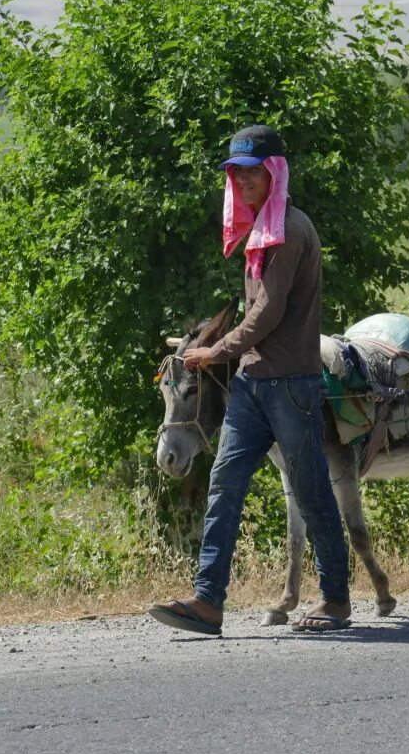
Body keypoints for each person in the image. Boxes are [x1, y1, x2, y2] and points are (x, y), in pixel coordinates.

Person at [149, 124, 351, 635]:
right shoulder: (260, 231)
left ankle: (334, 599)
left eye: (252, 172)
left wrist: (216, 350)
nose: (243, 181)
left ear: (274, 173)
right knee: (224, 485)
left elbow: (267, 311)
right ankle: (208, 601)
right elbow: (254, 315)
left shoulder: (289, 230)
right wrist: (225, 355)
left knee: (311, 492)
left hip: (291, 387)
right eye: (236, 173)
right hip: (252, 385)